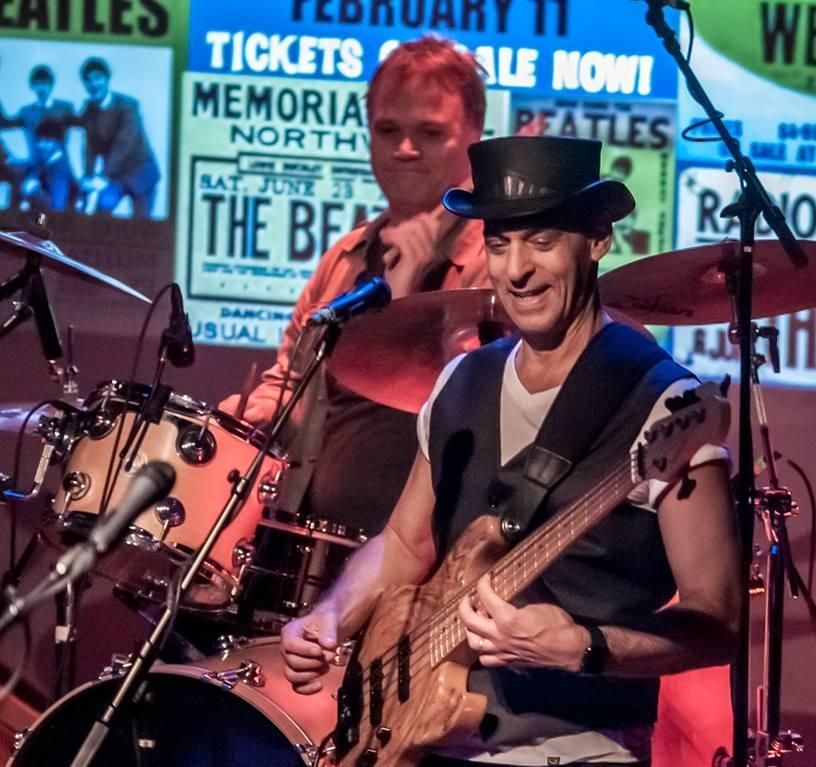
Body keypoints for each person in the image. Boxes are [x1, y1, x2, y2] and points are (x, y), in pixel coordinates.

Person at [280, 135, 743, 766]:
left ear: (598, 240)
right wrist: (331, 616)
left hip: (576, 749)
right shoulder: (462, 380)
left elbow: (718, 625)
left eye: (541, 241)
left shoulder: (665, 405)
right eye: (499, 245)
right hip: (427, 741)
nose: (516, 269)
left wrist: (586, 646)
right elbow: (405, 545)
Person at [219, 36, 489, 539]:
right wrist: (251, 412)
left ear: (475, 135)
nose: (404, 149)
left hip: (420, 555)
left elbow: (481, 417)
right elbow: (291, 380)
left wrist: (405, 292)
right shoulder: (345, 256)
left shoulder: (492, 266)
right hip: (304, 541)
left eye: (429, 132)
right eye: (388, 130)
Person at [76, 56, 160, 217]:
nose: (93, 84)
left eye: (98, 78)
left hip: (140, 174)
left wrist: (104, 176)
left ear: (107, 79)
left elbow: (124, 144)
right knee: (101, 212)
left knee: (141, 226)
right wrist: (88, 177)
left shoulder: (128, 105)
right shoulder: (89, 109)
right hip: (115, 176)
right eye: (88, 80)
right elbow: (89, 147)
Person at [8, 65, 76, 165]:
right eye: (37, 83)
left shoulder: (65, 108)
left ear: (51, 85)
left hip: (60, 166)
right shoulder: (26, 112)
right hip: (36, 167)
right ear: (32, 86)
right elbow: (5, 124)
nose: (41, 88)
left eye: (44, 83)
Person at [20, 118, 78, 212]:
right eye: (39, 141)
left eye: (46, 141)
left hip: (52, 217)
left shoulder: (61, 171)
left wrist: (37, 193)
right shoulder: (40, 164)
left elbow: (57, 209)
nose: (41, 145)